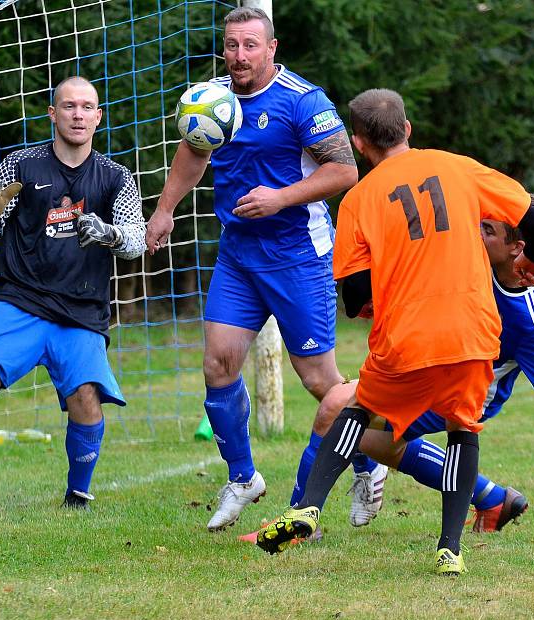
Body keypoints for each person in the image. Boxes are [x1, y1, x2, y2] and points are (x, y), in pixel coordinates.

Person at [256, 88, 534, 576]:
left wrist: (375, 301)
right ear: (408, 129)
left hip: (406, 336)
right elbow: (532, 217)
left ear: (358, 142)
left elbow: (353, 294)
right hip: (472, 332)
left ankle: (307, 508)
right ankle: (450, 549)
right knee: (462, 430)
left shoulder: (358, 200)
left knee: (354, 413)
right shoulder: (456, 167)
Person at [144, 7, 377, 531]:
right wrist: (163, 210)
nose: (240, 55)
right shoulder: (211, 100)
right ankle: (244, 478)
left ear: (272, 48)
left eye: (251, 45)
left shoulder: (302, 100)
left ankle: (367, 463)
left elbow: (345, 170)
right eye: (231, 45)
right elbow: (192, 154)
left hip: (300, 256)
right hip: (239, 256)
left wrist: (281, 199)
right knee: (218, 365)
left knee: (320, 382)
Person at [289, 196, 534, 537]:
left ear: (516, 248)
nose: (475, 232)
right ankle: (492, 498)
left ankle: (297, 526)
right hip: (426, 369)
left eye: (487, 229)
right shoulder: (476, 258)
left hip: (459, 396)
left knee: (335, 409)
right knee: (364, 437)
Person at [0, 76, 145, 510]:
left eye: (86, 107)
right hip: (20, 300)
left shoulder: (115, 177)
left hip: (80, 310)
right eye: (68, 106)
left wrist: (108, 232)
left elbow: (134, 243)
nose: (77, 114)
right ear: (53, 114)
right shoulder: (20, 164)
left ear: (98, 117)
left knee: (86, 398)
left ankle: (77, 493)